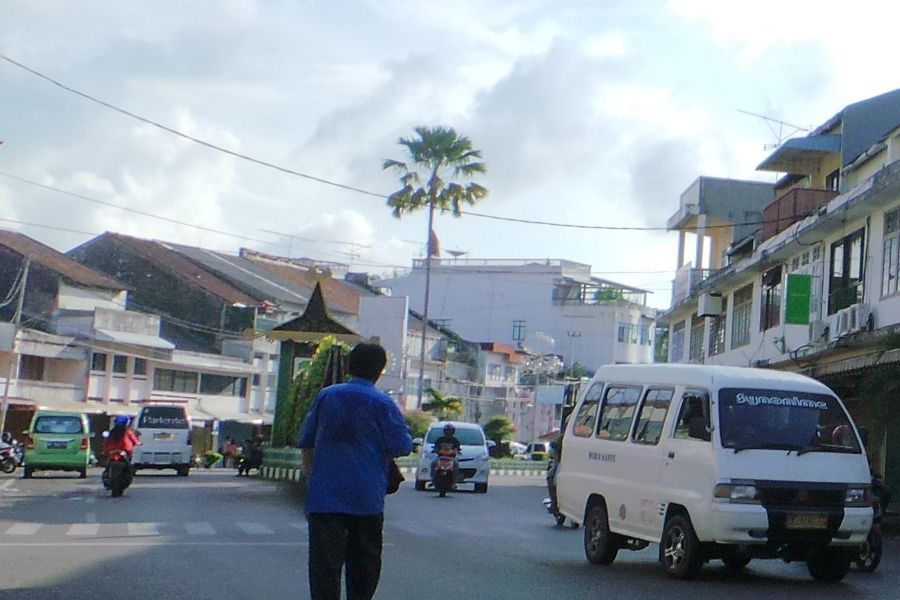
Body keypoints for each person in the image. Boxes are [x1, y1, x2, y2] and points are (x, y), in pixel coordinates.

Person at [298, 342, 412, 600]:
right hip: (366, 497)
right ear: (380, 370)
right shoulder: (384, 403)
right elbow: (401, 445)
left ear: (350, 366)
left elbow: (305, 440)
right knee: (365, 562)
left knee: (324, 565)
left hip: (324, 497)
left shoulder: (327, 396)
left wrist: (310, 481)